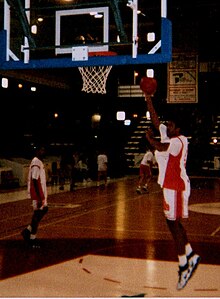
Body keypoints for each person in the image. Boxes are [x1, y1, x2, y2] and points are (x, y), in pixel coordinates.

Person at [144, 93, 201, 290]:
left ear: (178, 128)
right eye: (167, 124)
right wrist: (148, 99)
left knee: (174, 225)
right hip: (169, 185)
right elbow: (155, 118)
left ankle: (184, 265)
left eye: (171, 125)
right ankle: (191, 256)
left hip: (177, 185)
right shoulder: (169, 134)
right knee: (172, 224)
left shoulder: (179, 140)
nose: (167, 127)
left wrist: (150, 138)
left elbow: (159, 146)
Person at [21, 145, 48, 248]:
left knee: (44, 210)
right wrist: (40, 197)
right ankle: (32, 238)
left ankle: (27, 231)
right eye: (41, 149)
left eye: (44, 149)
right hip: (38, 194)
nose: (43, 151)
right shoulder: (36, 162)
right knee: (37, 215)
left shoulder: (39, 161)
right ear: (37, 151)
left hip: (41, 193)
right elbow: (35, 180)